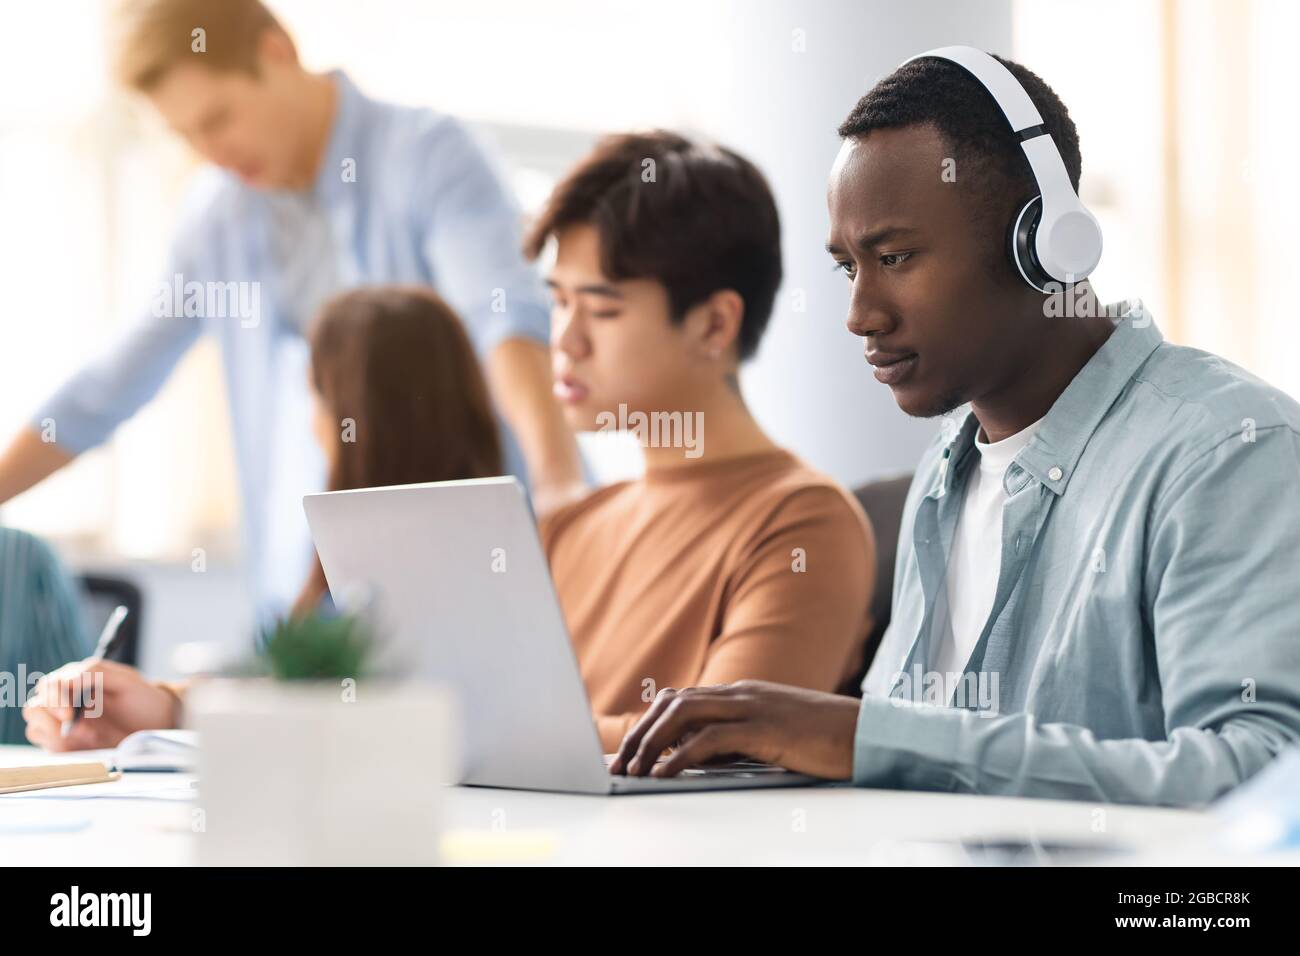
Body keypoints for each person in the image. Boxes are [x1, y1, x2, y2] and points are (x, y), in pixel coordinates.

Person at [610, 52, 1300, 807]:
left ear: (1043, 244)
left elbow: (1263, 776)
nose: (860, 315)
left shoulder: (1230, 452)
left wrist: (865, 738)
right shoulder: (946, 473)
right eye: (849, 269)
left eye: (895, 257)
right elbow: (913, 772)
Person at [0, 0, 580, 617]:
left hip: (486, 550)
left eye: (218, 118)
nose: (211, 151)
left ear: (276, 50)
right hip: (324, 580)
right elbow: (106, 388)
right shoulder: (217, 215)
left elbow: (502, 319)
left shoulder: (428, 155)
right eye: (186, 135)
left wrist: (556, 484)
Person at [23, 286, 504, 751]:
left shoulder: (429, 566)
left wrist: (174, 706)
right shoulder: (367, 559)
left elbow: (337, 711)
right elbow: (296, 691)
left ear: (358, 419)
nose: (314, 426)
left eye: (319, 398)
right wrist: (168, 704)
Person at [528, 131, 876, 751]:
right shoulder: (570, 529)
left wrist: (495, 734)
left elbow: (718, 743)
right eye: (558, 303)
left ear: (715, 324)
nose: (565, 341)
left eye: (602, 310)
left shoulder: (803, 524)